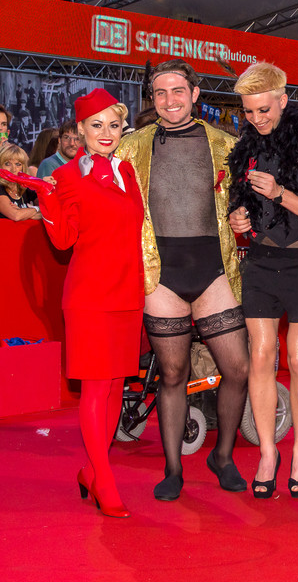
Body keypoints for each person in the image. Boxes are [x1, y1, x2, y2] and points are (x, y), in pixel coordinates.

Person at [117, 59, 250, 501]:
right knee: (172, 374)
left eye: (178, 91)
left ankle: (223, 456)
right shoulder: (130, 147)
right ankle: (173, 469)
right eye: (160, 93)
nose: (169, 100)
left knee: (238, 369)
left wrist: (244, 217)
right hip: (160, 274)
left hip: (214, 271)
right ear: (152, 99)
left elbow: (245, 204)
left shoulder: (227, 144)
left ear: (194, 94)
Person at [39, 89, 143, 517]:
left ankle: (90, 470)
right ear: (79, 129)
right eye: (96, 125)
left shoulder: (127, 171)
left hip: (128, 293)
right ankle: (105, 480)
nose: (106, 133)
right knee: (97, 387)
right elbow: (63, 240)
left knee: (117, 384)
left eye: (113, 125)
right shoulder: (66, 177)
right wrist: (46, 197)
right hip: (90, 296)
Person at [226, 63, 298, 499]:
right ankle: (267, 452)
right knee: (260, 358)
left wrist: (281, 193)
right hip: (260, 263)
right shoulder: (244, 148)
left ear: (283, 99)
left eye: (264, 109)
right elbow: (238, 206)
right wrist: (237, 219)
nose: (257, 119)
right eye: (248, 112)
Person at [0, 144, 41, 221]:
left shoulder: (27, 189)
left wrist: (24, 212)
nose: (13, 169)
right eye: (7, 164)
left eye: (18, 164)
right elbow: (16, 216)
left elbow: (47, 212)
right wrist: (37, 209)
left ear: (23, 167)